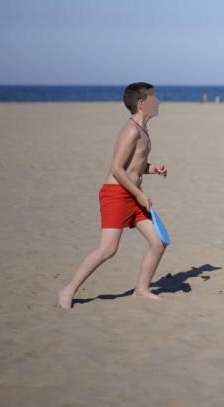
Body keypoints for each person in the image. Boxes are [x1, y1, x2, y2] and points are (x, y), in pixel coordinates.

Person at [57, 82, 169, 309]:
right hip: (117, 194)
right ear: (141, 103)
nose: (158, 101)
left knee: (158, 243)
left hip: (133, 194)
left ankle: (142, 289)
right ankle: (67, 291)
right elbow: (117, 169)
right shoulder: (131, 130)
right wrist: (138, 194)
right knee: (108, 249)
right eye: (153, 98)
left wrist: (152, 169)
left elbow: (133, 165)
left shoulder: (143, 130)